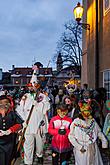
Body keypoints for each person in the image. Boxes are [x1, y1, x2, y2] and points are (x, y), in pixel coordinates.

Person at [16, 83, 50, 165]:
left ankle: (39, 155)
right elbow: (19, 109)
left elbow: (47, 107)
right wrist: (23, 121)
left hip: (39, 124)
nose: (31, 88)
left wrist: (38, 104)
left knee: (40, 143)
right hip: (28, 125)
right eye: (29, 86)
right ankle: (28, 162)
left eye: (33, 86)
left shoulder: (42, 96)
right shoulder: (25, 96)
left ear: (37, 87)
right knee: (28, 144)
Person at [68, 100, 108, 165]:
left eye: (88, 112)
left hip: (93, 147)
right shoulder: (76, 122)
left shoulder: (93, 121)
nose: (86, 115)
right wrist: (79, 147)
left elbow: (98, 132)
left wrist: (104, 141)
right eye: (84, 112)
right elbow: (71, 136)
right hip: (82, 149)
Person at [0, 95, 23, 165]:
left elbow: (20, 125)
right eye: (1, 103)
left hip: (10, 142)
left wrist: (10, 130)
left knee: (8, 160)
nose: (4, 105)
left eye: (6, 103)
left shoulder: (12, 114)